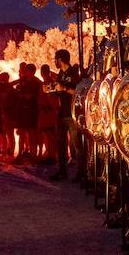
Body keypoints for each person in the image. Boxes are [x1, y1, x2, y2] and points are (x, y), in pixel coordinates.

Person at [48, 49, 81, 181]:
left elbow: (79, 92)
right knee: (61, 144)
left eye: (55, 59)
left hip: (72, 114)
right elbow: (60, 89)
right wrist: (52, 89)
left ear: (60, 59)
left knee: (77, 145)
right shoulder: (61, 74)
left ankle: (82, 173)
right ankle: (62, 171)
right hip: (62, 114)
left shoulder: (75, 73)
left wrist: (64, 89)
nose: (54, 62)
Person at [13, 63, 42, 163]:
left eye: (28, 71)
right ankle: (20, 155)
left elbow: (39, 95)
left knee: (32, 133)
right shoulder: (22, 80)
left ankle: (33, 156)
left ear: (32, 72)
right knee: (21, 133)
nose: (26, 73)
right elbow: (15, 87)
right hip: (22, 110)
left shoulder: (37, 82)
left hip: (32, 110)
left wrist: (31, 96)